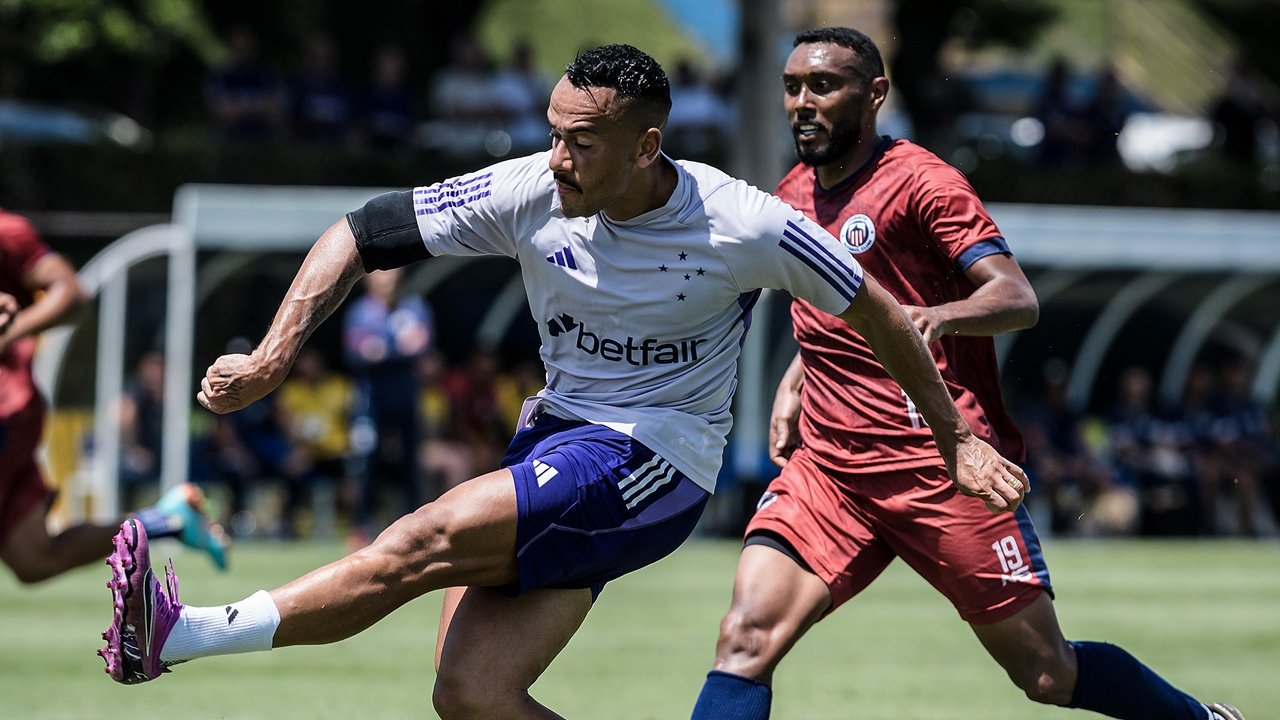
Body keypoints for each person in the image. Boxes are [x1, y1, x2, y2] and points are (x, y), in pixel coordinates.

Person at [97, 44, 1027, 718]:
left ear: (645, 144)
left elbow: (885, 314)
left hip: (656, 460)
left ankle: (176, 634)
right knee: (472, 696)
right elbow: (363, 231)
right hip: (556, 436)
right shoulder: (531, 188)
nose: (557, 159)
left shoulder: (742, 223)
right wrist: (273, 355)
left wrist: (955, 438)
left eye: (581, 142)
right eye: (552, 133)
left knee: (422, 536)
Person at [688, 27, 1245, 720]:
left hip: (943, 464)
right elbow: (839, 303)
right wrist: (798, 375)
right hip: (831, 468)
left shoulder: (924, 182)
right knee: (745, 638)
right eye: (793, 86)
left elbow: (1016, 298)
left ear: (876, 94)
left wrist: (941, 316)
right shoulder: (792, 190)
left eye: (824, 85)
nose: (802, 101)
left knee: (1047, 674)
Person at [0, 208, 227, 584]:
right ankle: (167, 519)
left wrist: (11, 331)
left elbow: (70, 293)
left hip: (7, 410)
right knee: (34, 557)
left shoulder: (7, 232)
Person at [342, 266, 433, 545]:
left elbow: (421, 345)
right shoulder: (360, 312)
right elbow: (357, 353)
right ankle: (362, 525)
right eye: (381, 275)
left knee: (410, 464)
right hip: (370, 401)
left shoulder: (414, 307)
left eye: (392, 275)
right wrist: (397, 348)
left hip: (405, 398)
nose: (387, 281)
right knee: (365, 462)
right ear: (370, 279)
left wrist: (383, 349)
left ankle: (413, 526)